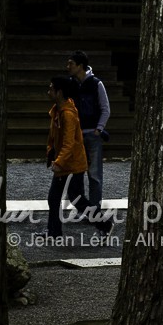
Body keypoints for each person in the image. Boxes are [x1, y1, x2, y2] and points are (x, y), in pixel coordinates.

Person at [46, 76, 109, 239]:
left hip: (72, 165)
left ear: (59, 93)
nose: (49, 91)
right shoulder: (58, 111)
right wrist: (51, 153)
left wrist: (58, 161)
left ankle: (105, 224)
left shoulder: (67, 114)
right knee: (56, 198)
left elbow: (68, 143)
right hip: (66, 163)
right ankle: (54, 233)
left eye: (51, 88)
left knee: (77, 200)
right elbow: (53, 139)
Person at [66, 50, 110, 209]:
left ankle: (95, 209)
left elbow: (105, 108)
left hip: (92, 134)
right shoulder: (70, 84)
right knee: (76, 175)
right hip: (76, 136)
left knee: (95, 175)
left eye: (71, 63)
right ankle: (83, 207)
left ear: (80, 66)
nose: (68, 66)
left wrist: (99, 129)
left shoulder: (96, 83)